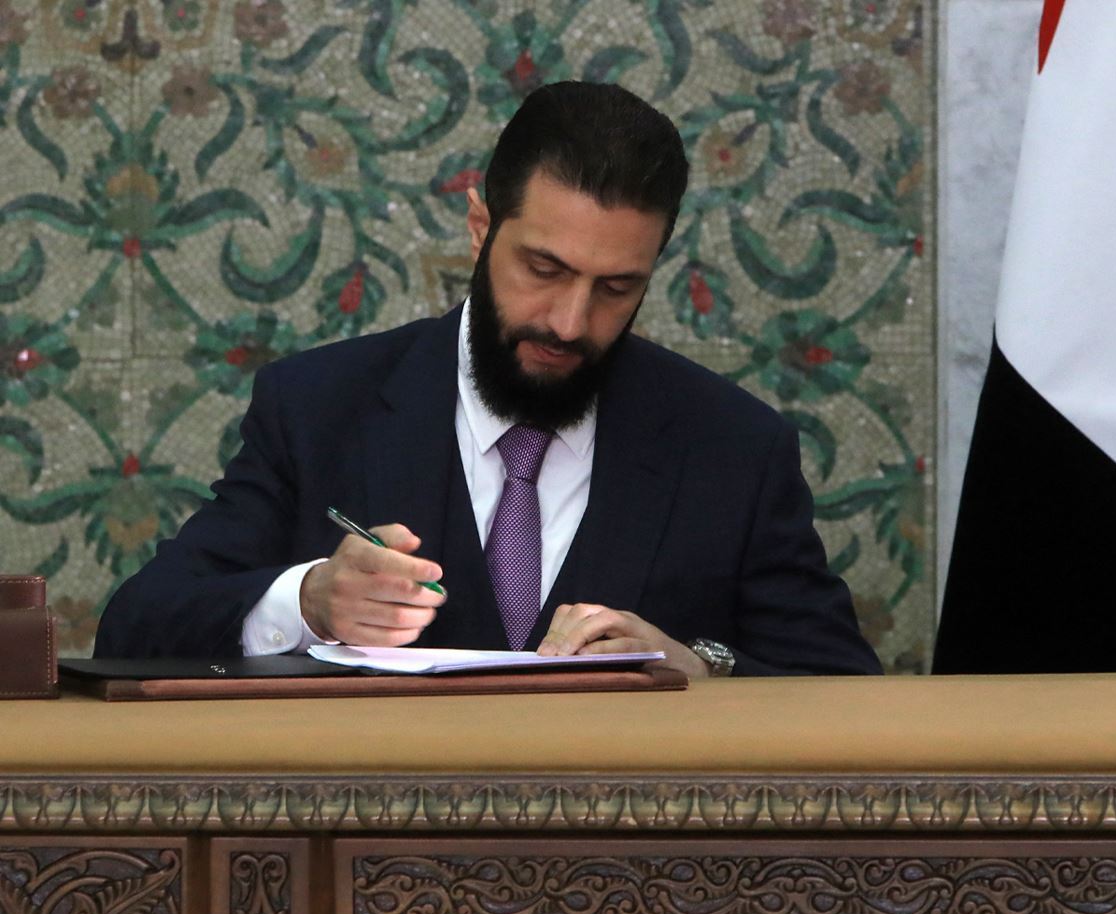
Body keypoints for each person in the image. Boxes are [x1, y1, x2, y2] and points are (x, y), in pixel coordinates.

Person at [93, 81, 881, 678]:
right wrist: (308, 600)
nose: (569, 321)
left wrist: (700, 665)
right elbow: (135, 626)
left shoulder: (735, 446)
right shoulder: (317, 407)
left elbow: (844, 691)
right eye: (544, 268)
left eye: (616, 288)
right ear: (480, 228)